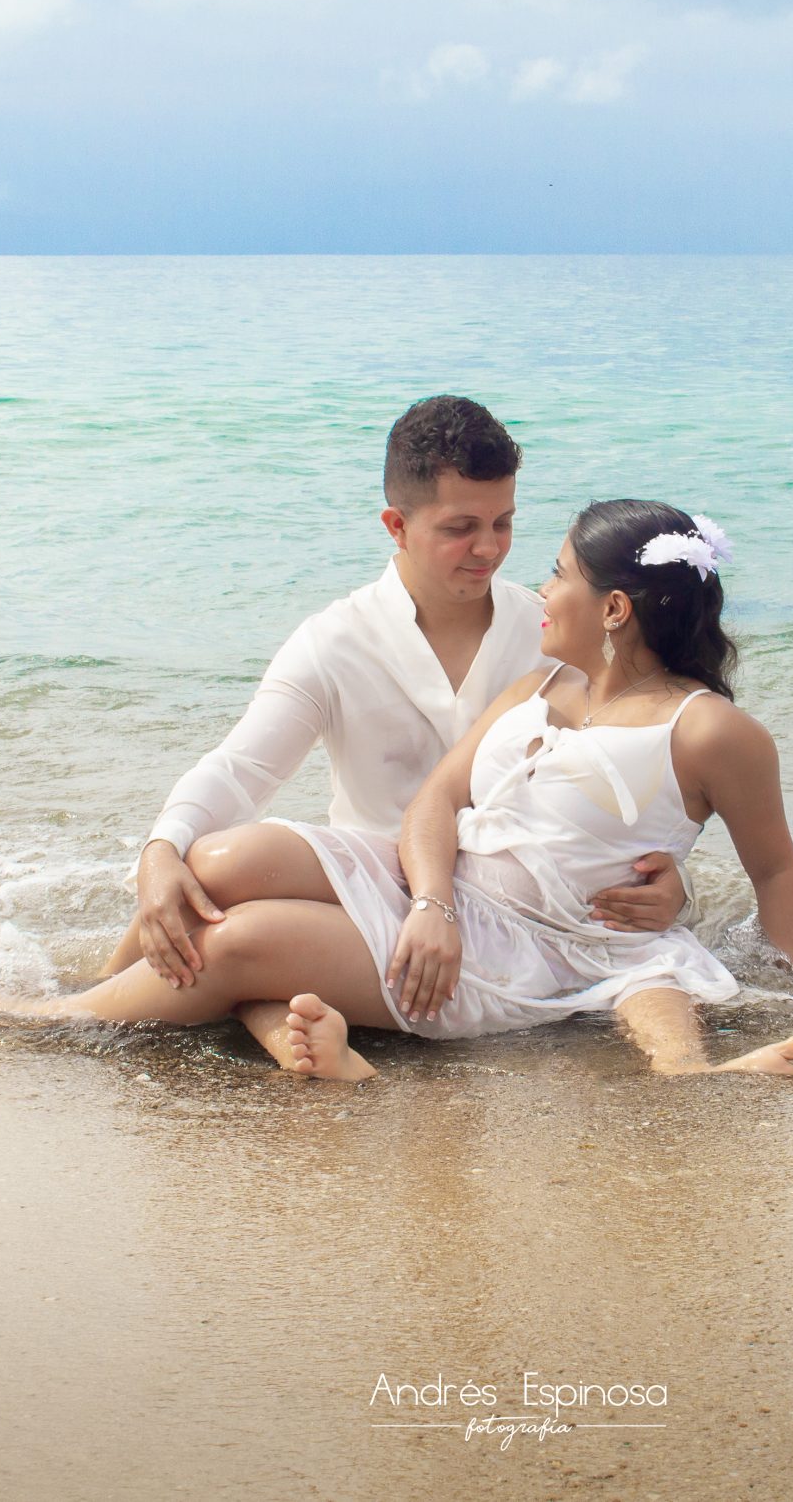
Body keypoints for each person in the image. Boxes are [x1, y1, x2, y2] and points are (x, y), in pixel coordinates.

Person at [0, 498, 793, 1083]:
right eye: (476, 531)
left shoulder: (710, 730)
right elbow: (435, 801)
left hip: (542, 948)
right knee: (222, 857)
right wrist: (433, 903)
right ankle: (123, 993)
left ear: (616, 609)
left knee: (246, 941)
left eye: (553, 567)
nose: (529, 578)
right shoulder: (541, 686)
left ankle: (50, 1021)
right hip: (437, 889)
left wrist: (785, 986)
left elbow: (778, 873)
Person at [84, 396, 688, 1078]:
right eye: (461, 527)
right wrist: (160, 851)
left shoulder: (550, 631)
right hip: (360, 889)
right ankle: (113, 1000)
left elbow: (636, 770)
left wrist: (674, 883)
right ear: (396, 525)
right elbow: (239, 768)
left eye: (504, 522)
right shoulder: (334, 641)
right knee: (209, 862)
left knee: (232, 922)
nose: (489, 548)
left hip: (517, 918)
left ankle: (243, 1017)